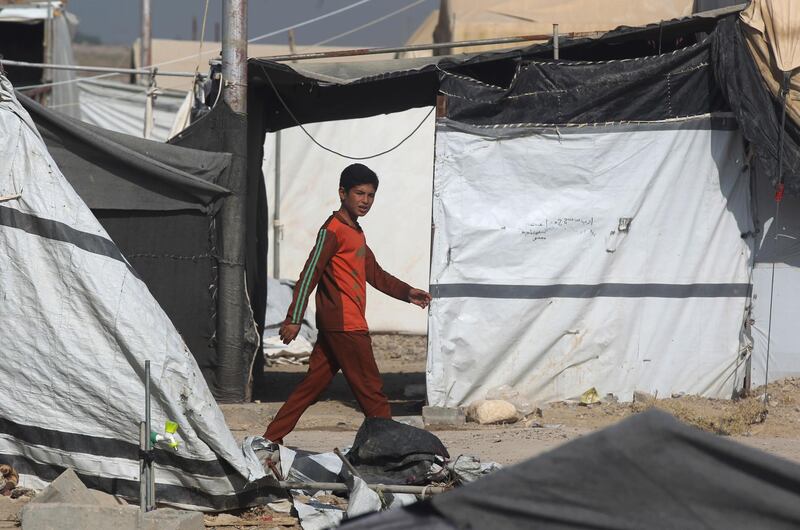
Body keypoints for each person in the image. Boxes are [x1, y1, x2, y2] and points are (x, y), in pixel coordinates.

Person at [264, 163, 431, 444]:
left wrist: (407, 292)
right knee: (372, 391)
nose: (365, 201)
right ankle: (391, 450)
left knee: (312, 387)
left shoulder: (355, 231)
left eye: (371, 195)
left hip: (340, 326)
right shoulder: (333, 230)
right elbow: (309, 274)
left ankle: (271, 438)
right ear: (342, 193)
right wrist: (293, 318)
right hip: (345, 325)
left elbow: (374, 273)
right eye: (359, 193)